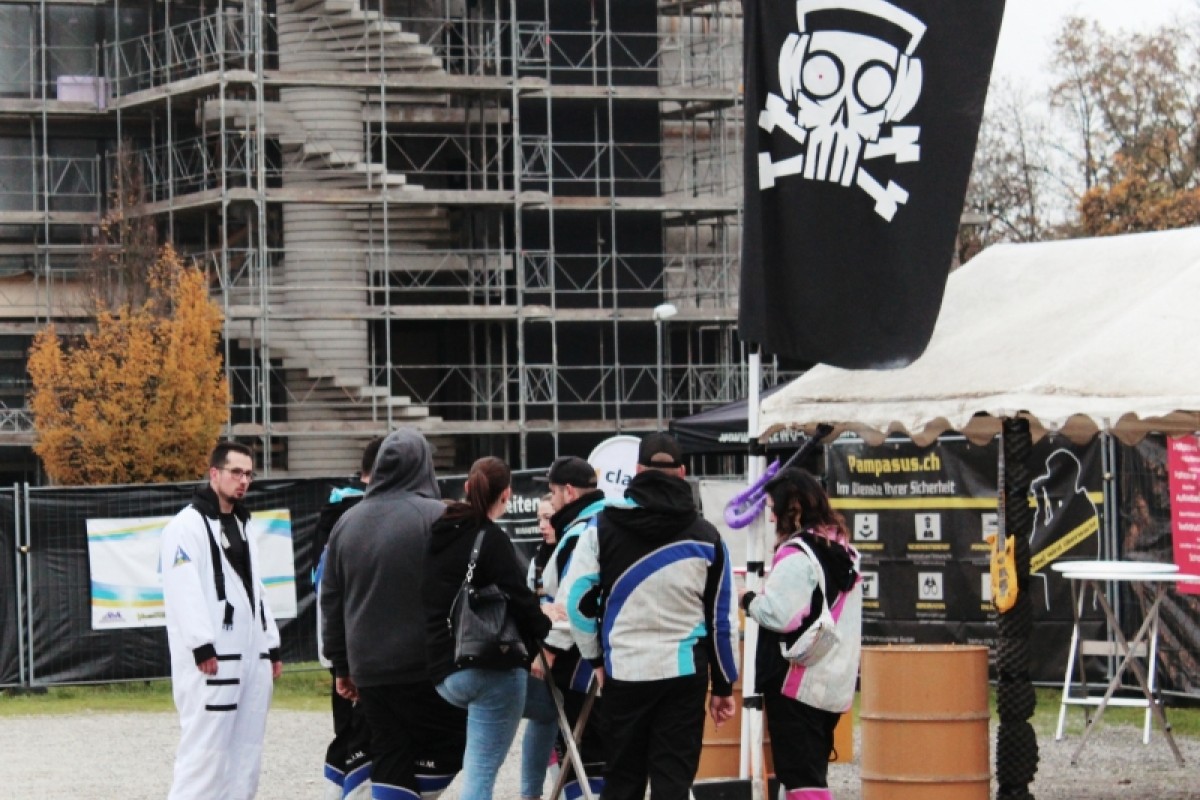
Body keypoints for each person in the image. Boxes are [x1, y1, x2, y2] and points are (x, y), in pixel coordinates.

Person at [558, 433, 739, 800]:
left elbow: (577, 603)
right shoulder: (708, 537)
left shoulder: (600, 527)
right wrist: (723, 687)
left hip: (625, 670)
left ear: (637, 470)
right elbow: (721, 621)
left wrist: (596, 659)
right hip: (683, 673)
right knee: (673, 783)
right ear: (683, 473)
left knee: (623, 783)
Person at [321, 429, 466, 800]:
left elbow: (331, 600)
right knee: (448, 744)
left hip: (369, 668)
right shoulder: (438, 517)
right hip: (425, 664)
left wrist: (341, 665)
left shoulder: (346, 523)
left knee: (390, 751)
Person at [422, 456, 556, 800]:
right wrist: (545, 626)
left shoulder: (438, 532)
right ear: (507, 495)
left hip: (444, 671)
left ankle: (533, 794)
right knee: (481, 773)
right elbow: (519, 600)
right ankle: (531, 793)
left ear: (467, 487)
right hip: (487, 666)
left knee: (548, 708)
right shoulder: (492, 539)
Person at [159, 441, 282, 800]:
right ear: (215, 473)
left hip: (250, 655)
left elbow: (255, 588)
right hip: (214, 658)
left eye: (249, 474)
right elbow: (183, 588)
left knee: (246, 751)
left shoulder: (242, 524)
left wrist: (271, 645)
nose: (243, 481)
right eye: (236, 472)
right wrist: (201, 644)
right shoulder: (186, 526)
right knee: (205, 752)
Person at [738, 467, 862, 800]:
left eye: (773, 509)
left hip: (794, 681)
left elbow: (780, 615)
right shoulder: (845, 552)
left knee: (801, 777)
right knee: (810, 772)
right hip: (832, 678)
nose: (770, 518)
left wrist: (748, 600)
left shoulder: (796, 555)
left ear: (790, 509)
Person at [537, 456, 610, 800]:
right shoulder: (610, 519)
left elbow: (571, 601)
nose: (551, 503)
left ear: (568, 492)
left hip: (581, 657)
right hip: (611, 652)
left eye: (552, 493)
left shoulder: (581, 532)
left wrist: (550, 648)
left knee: (582, 747)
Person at [315, 436, 383, 800]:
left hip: (338, 642)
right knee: (363, 733)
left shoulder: (333, 511)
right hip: (362, 644)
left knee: (348, 729)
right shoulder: (363, 516)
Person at [520, 494, 562, 800]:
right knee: (543, 716)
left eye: (548, 518)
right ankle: (531, 793)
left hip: (570, 651)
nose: (542, 526)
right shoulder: (536, 560)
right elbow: (527, 604)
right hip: (541, 652)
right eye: (539, 519)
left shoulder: (576, 551)